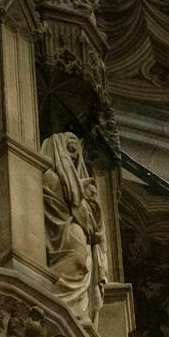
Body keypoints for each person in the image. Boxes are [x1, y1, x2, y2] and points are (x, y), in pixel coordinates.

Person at [41, 131, 109, 324]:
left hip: (77, 232)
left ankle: (71, 310)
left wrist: (91, 206)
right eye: (69, 149)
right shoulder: (50, 176)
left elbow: (93, 225)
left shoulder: (80, 186)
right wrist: (80, 202)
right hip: (62, 233)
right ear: (57, 149)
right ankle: (57, 304)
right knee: (76, 259)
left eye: (76, 152)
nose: (73, 156)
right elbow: (54, 205)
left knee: (81, 263)